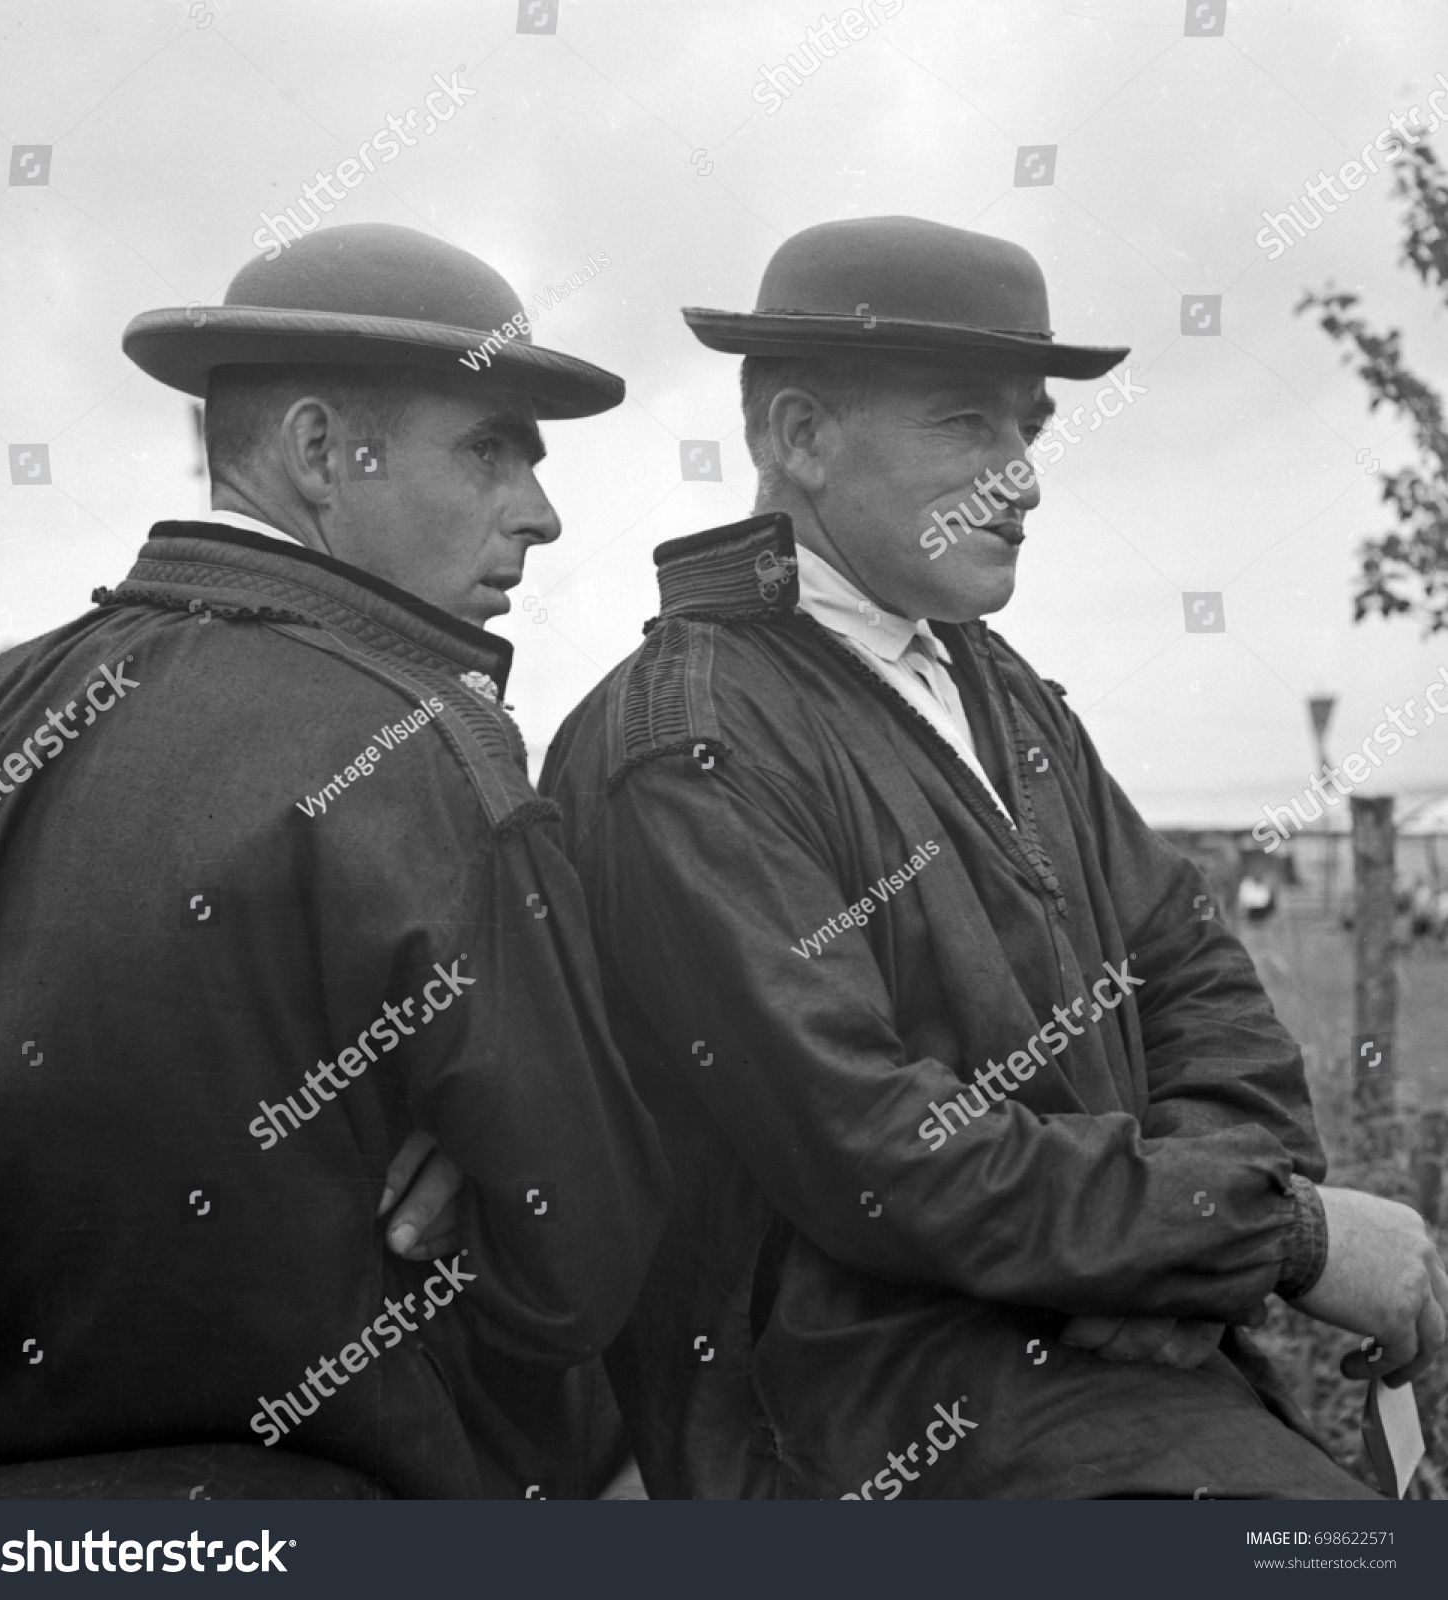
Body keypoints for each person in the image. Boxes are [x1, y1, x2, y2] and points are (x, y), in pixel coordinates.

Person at [542, 216, 1448, 1499]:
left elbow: (1196, 979)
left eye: (1031, 426)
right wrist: (1279, 1236)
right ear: (798, 435)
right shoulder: (687, 743)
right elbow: (877, 1147)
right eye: (969, 425)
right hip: (854, 1439)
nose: (1023, 476)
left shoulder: (996, 687)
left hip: (1118, 1389)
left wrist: (1180, 1257)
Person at [0, 223, 668, 1498]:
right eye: (492, 449)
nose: (543, 515)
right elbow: (584, 1262)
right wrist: (476, 1201)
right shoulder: (424, 749)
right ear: (325, 452)